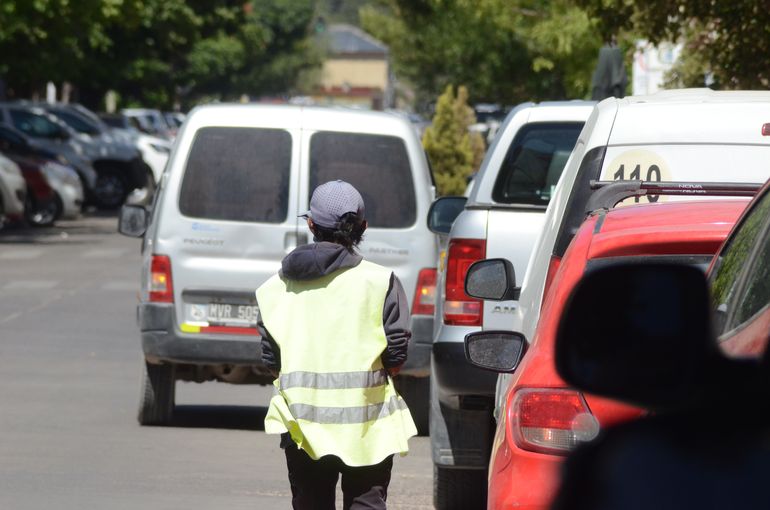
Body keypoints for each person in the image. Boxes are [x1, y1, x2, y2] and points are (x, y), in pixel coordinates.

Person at [256, 179, 417, 510]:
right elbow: (396, 353)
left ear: (311, 224)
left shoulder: (275, 288)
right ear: (363, 227)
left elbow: (271, 358)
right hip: (368, 429)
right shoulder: (380, 282)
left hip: (303, 428)